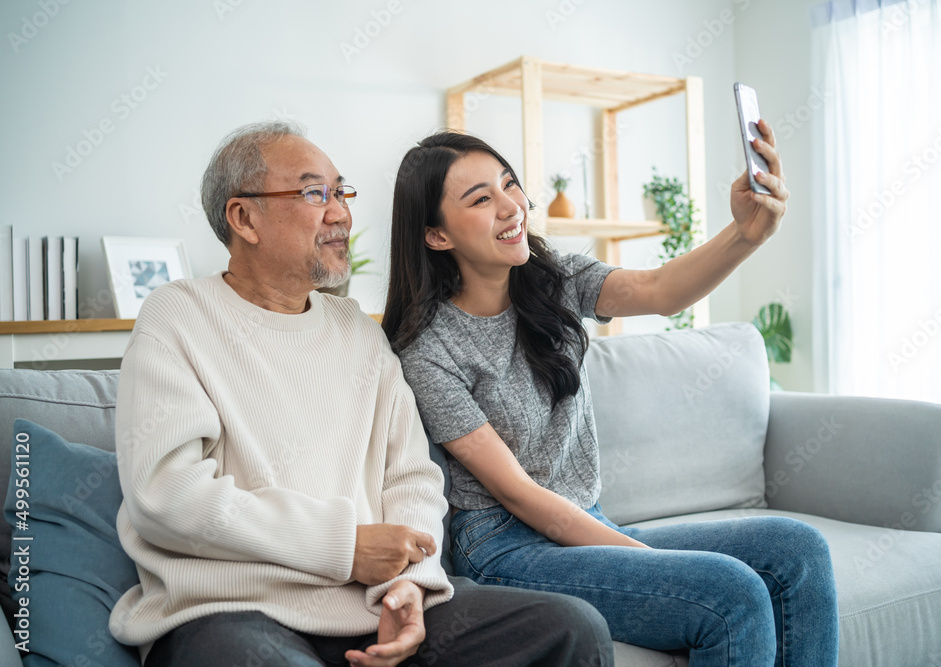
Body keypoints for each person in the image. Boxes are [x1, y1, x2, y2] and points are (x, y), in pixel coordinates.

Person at [109, 121, 614, 667]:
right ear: (243, 218)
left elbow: (412, 476)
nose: (340, 213)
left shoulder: (355, 329)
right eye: (313, 193)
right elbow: (166, 493)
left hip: (373, 606)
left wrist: (413, 586)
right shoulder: (178, 316)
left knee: (570, 628)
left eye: (341, 191)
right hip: (229, 613)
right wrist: (346, 547)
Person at [382, 128, 840, 665]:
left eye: (510, 185)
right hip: (506, 546)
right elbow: (519, 495)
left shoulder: (552, 280)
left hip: (587, 520)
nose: (512, 207)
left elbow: (661, 291)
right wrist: (658, 565)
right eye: (481, 199)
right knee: (729, 591)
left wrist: (747, 234)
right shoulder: (428, 350)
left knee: (797, 551)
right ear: (437, 236)